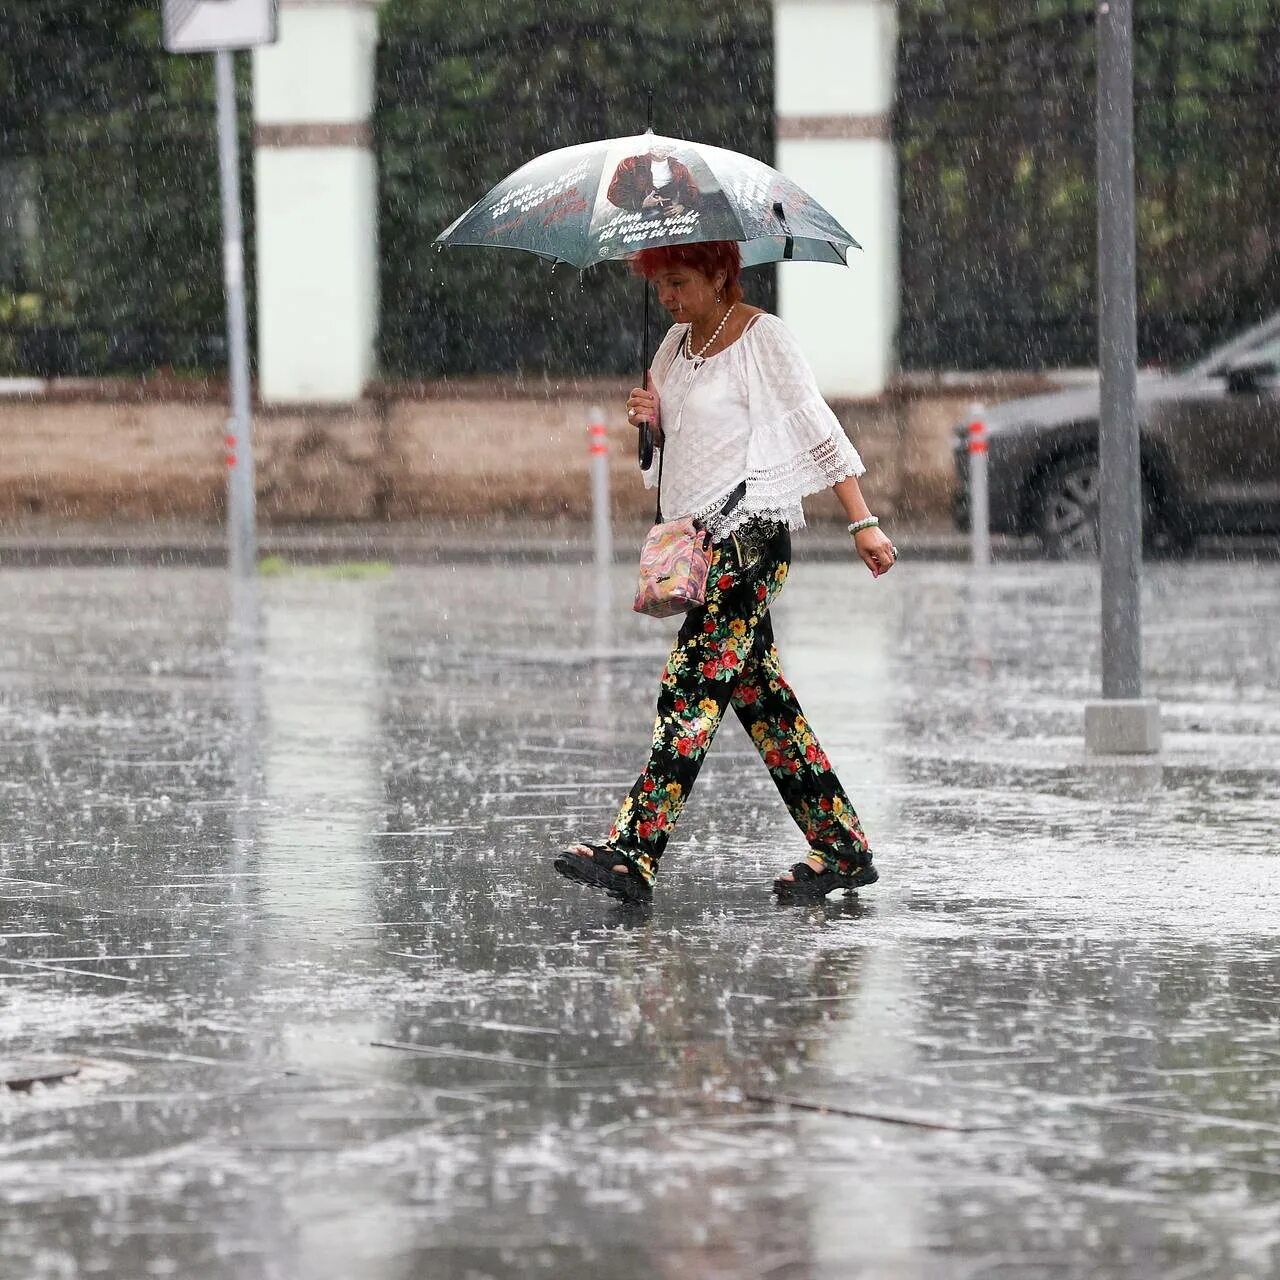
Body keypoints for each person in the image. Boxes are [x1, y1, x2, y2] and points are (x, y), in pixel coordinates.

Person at [554, 240, 896, 906]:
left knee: (690, 689)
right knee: (764, 704)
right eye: (660, 287)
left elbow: (815, 429)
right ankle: (844, 848)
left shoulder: (763, 339)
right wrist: (650, 424)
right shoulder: (671, 350)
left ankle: (634, 851)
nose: (669, 299)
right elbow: (670, 462)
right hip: (699, 546)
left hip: (753, 541)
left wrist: (863, 521)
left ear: (719, 274)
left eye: (679, 283)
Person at [607, 142, 700, 219]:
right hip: (637, 216)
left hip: (671, 214)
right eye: (661, 148)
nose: (665, 151)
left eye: (669, 148)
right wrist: (641, 203)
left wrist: (682, 205)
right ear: (651, 147)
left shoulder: (679, 167)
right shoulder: (629, 163)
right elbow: (614, 193)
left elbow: (691, 189)